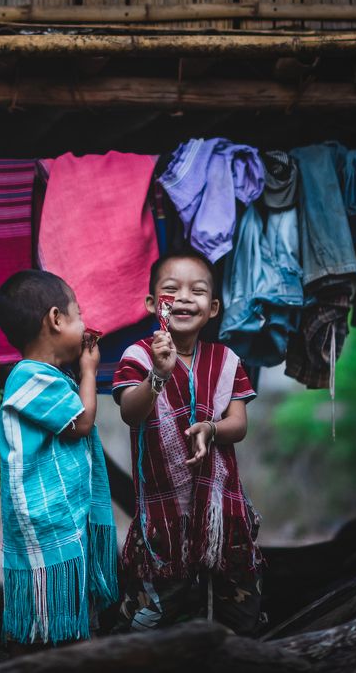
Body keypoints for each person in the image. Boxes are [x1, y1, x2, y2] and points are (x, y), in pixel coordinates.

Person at [112, 250, 264, 635]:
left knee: (239, 616)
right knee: (149, 617)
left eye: (196, 291)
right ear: (152, 303)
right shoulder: (139, 356)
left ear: (212, 308)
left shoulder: (226, 359)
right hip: (164, 516)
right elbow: (131, 411)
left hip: (221, 512)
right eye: (170, 290)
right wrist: (158, 377)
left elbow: (238, 424)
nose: (183, 298)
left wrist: (210, 430)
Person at [0, 270, 118, 646]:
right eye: (78, 315)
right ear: (56, 319)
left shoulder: (46, 376)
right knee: (56, 631)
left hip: (61, 513)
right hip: (46, 517)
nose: (83, 324)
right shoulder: (30, 376)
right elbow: (80, 423)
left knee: (76, 621)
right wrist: (90, 372)